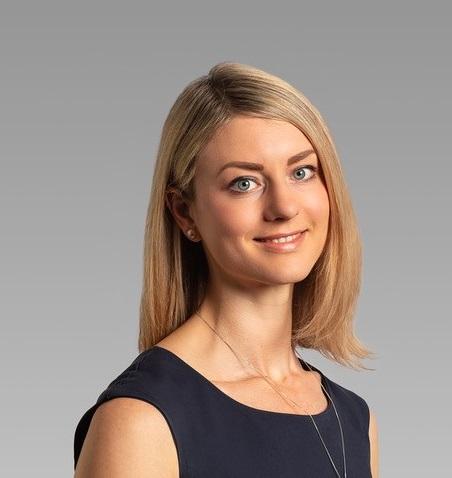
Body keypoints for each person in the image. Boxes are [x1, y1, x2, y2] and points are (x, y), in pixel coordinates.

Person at [73, 61, 379, 477]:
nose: (284, 207)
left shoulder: (354, 420)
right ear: (185, 213)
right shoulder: (141, 421)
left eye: (302, 172)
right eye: (244, 183)